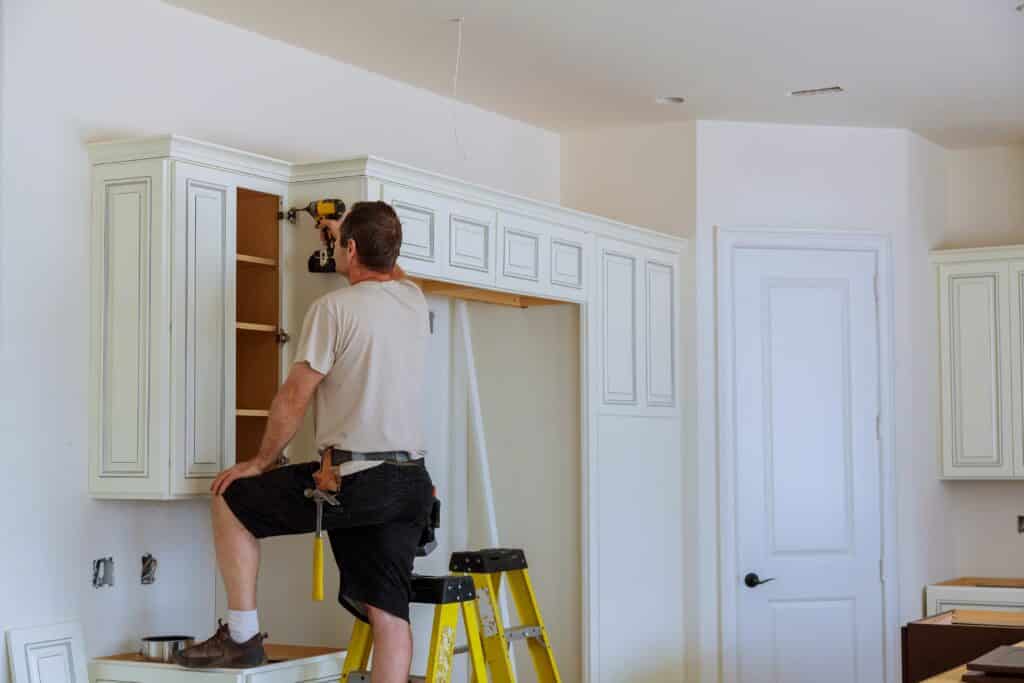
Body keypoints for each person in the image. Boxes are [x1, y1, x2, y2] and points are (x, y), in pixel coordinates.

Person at [174, 201, 433, 683]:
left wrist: (261, 460)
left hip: (356, 479)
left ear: (350, 249)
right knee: (390, 616)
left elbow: (294, 396)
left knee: (231, 499)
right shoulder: (414, 300)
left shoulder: (333, 309)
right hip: (411, 482)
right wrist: (350, 236)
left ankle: (242, 637)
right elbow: (389, 267)